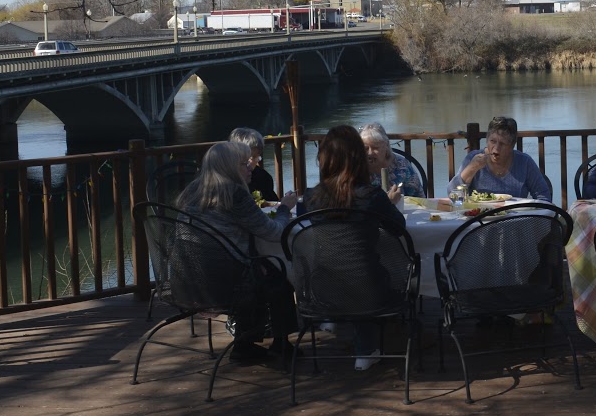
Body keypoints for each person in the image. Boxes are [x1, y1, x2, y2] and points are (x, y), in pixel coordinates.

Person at [298, 125, 409, 371]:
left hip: (321, 291)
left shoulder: (310, 197)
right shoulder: (372, 196)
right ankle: (366, 350)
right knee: (365, 273)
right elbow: (398, 228)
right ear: (358, 159)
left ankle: (352, 336)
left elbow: (304, 226)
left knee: (348, 268)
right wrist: (388, 204)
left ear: (324, 159)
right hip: (369, 292)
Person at [177, 140, 298, 363]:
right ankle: (280, 345)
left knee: (260, 267)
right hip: (227, 285)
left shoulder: (192, 190)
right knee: (278, 275)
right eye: (244, 163)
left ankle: (245, 344)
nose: (251, 167)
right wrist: (284, 208)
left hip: (189, 280)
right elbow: (273, 233)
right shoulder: (234, 194)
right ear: (229, 168)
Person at [446, 116, 553, 201]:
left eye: (502, 143)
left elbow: (543, 196)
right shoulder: (473, 158)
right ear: (487, 140)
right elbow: (452, 194)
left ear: (512, 145)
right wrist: (472, 168)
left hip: (517, 220)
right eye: (492, 141)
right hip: (479, 219)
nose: (496, 148)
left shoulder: (524, 162)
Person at [360, 122, 426, 201]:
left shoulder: (401, 166)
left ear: (386, 145)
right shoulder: (357, 167)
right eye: (366, 148)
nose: (370, 153)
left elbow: (419, 199)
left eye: (375, 148)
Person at [229, 127, 279, 203]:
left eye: (256, 157)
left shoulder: (264, 177)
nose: (252, 163)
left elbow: (273, 203)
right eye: (248, 158)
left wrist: (284, 204)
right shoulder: (225, 182)